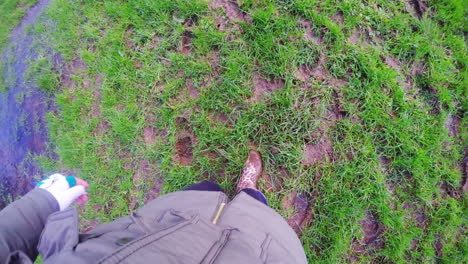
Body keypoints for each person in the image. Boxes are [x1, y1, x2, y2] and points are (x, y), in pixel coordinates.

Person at [0, 151, 307, 263]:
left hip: (141, 237)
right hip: (256, 255)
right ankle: (248, 191)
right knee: (256, 217)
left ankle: (222, 193)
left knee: (202, 193)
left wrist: (43, 204)